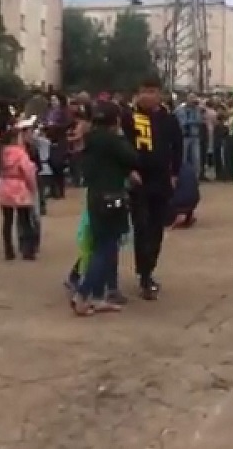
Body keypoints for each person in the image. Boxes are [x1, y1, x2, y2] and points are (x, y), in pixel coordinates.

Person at [72, 101, 140, 315]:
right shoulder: (113, 140)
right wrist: (121, 137)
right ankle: (83, 294)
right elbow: (133, 158)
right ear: (116, 120)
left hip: (94, 196)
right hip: (112, 197)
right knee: (106, 248)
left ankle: (97, 296)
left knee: (100, 245)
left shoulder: (89, 140)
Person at [122, 74, 183, 300]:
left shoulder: (168, 119)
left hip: (161, 180)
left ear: (160, 94)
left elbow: (178, 146)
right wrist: (129, 170)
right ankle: (144, 273)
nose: (148, 96)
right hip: (139, 181)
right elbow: (122, 145)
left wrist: (175, 173)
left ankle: (149, 269)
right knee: (142, 226)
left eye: (152, 92)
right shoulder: (129, 117)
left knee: (157, 228)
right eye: (144, 91)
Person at [0, 127, 38, 261]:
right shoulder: (20, 153)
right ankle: (28, 251)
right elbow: (28, 171)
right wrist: (32, 187)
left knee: (7, 220)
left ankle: (8, 250)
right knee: (25, 220)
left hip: (4, 185)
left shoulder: (0, 152)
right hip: (19, 186)